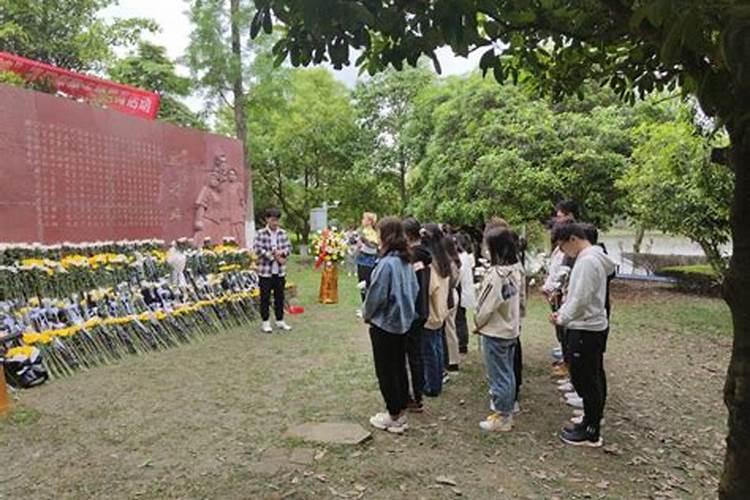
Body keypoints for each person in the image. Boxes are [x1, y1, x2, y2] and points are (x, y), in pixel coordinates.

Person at [549, 221, 616, 447]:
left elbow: (580, 298)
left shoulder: (587, 261)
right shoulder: (593, 257)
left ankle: (591, 429)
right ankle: (589, 420)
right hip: (590, 325)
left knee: (586, 378)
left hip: (585, 327)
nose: (564, 253)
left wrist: (561, 316)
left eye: (562, 247)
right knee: (592, 376)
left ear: (573, 240)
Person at [363, 216, 419, 433]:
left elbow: (376, 296)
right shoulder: (406, 261)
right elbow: (414, 291)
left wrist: (367, 314)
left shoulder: (387, 264)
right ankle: (400, 412)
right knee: (399, 368)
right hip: (403, 323)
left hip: (385, 325)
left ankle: (393, 414)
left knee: (386, 370)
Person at [474, 227, 524, 432]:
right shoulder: (515, 269)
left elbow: (486, 306)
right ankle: (507, 410)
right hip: (510, 328)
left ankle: (503, 417)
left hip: (496, 331)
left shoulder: (496, 274)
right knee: (507, 372)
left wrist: (478, 323)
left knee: (499, 375)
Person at [402, 217, 432, 412]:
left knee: (411, 356)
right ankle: (418, 393)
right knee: (417, 354)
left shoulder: (413, 256)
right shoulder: (426, 254)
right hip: (423, 309)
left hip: (412, 311)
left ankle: (413, 396)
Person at [421, 223, 451, 397]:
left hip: (431, 312)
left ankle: (432, 385)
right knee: (437, 347)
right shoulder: (443, 258)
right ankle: (438, 379)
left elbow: (430, 289)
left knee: (430, 350)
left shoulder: (430, 263)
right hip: (441, 309)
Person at [253, 207, 293, 333]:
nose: (275, 223)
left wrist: (282, 253)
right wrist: (273, 256)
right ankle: (265, 322)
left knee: (279, 296)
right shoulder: (260, 233)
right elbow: (258, 249)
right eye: (272, 220)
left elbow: (288, 248)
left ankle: (280, 320)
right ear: (267, 219)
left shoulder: (283, 233)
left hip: (280, 271)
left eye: (277, 220)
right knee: (265, 297)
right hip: (265, 271)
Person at [443, 235, 462, 374]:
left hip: (449, 294)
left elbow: (451, 281)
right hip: (452, 293)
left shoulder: (449, 262)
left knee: (449, 328)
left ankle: (452, 360)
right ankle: (452, 358)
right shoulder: (455, 261)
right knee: (450, 327)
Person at [455, 233, 476, 354]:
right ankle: (462, 342)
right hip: (463, 288)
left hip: (460, 288)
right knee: (461, 317)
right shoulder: (466, 256)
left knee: (459, 318)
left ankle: (462, 343)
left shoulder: (461, 257)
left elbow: (459, 274)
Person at [356, 212, 380, 315]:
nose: (362, 221)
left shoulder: (372, 233)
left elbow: (373, 247)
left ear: (369, 221)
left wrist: (364, 241)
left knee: (367, 284)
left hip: (368, 261)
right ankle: (364, 306)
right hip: (362, 259)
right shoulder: (364, 232)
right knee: (362, 284)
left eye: (364, 219)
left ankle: (368, 308)